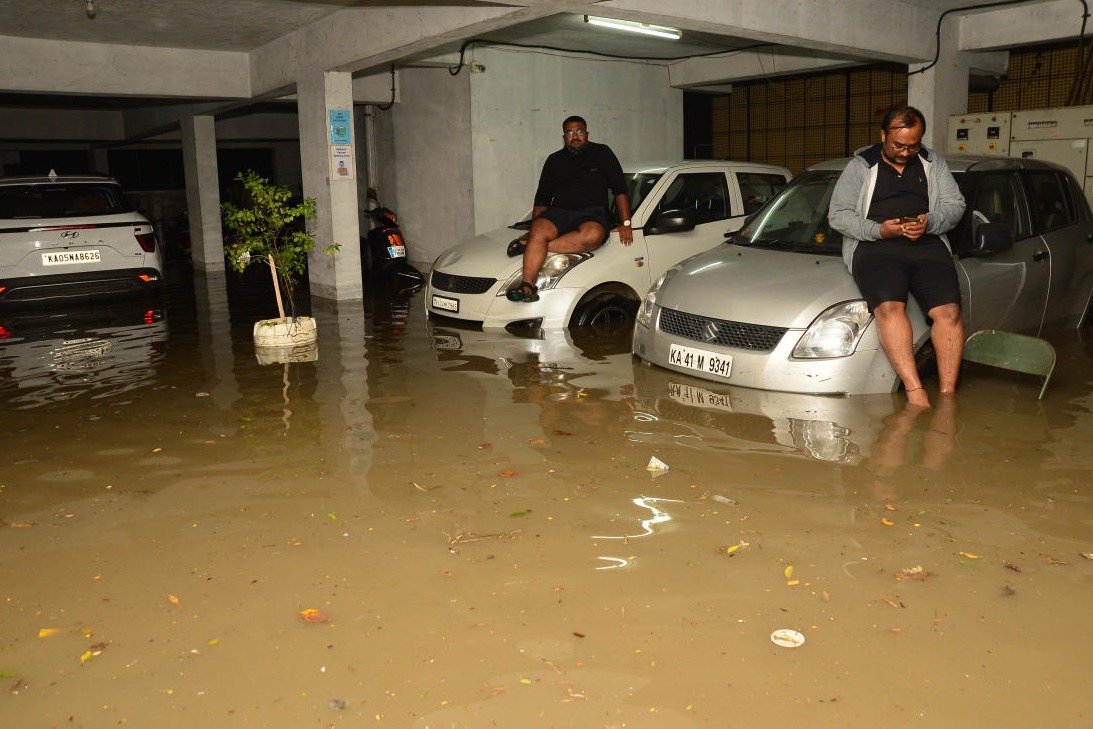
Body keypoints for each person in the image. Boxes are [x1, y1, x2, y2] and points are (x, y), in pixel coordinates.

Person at [828, 106, 966, 409]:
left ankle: (947, 396)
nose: (905, 153)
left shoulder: (933, 163)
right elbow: (838, 215)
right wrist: (879, 230)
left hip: (927, 243)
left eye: (912, 146)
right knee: (890, 308)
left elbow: (955, 205)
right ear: (883, 136)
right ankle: (915, 391)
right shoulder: (861, 166)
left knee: (949, 313)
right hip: (875, 245)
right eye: (898, 146)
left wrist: (930, 222)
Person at [505, 115, 633, 303]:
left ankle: (532, 247)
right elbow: (542, 200)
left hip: (592, 214)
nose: (575, 136)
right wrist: (532, 232)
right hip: (559, 213)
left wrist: (626, 223)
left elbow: (620, 190)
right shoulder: (554, 160)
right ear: (564, 136)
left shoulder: (603, 153)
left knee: (593, 235)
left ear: (587, 133)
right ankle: (527, 286)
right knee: (539, 229)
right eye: (570, 132)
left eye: (579, 131)